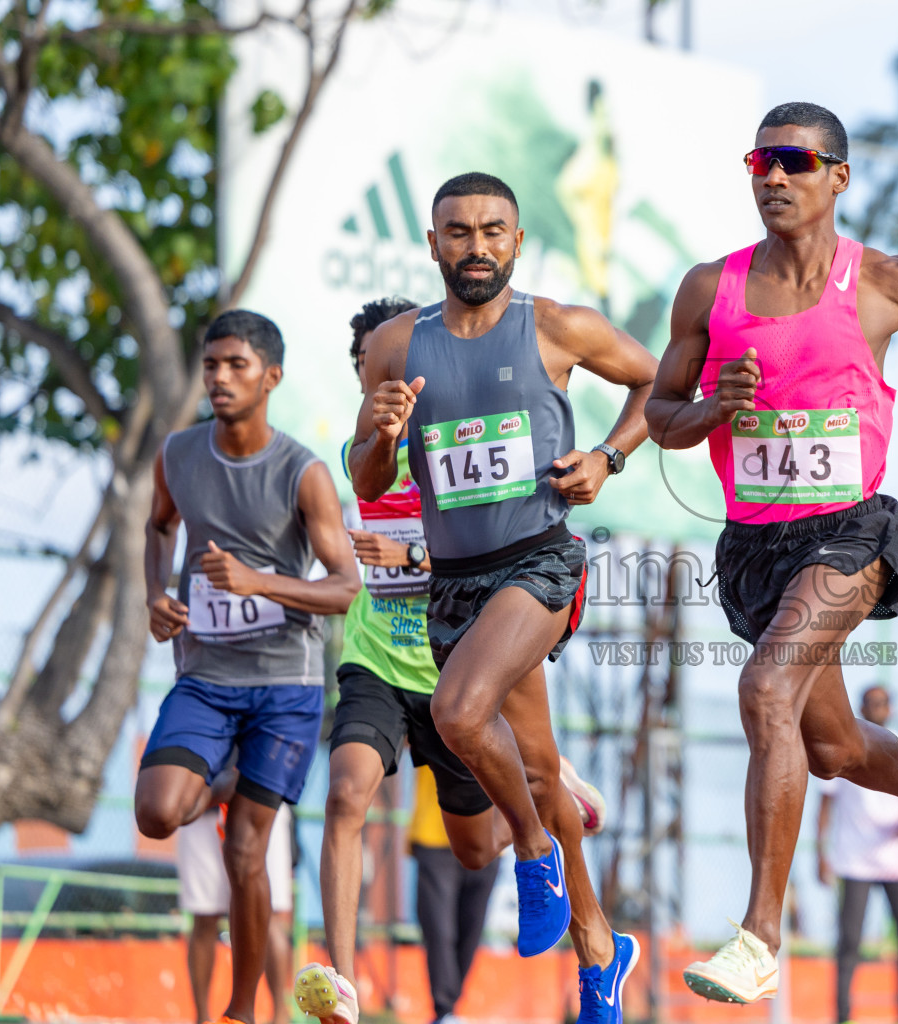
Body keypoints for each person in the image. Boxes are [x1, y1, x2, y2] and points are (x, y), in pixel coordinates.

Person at [645, 100, 898, 1006]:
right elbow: (660, 419)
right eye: (761, 161)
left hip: (849, 529)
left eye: (796, 161)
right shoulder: (707, 289)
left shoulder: (888, 279)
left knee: (765, 690)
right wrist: (715, 407)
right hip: (757, 541)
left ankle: (762, 934)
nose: (775, 177)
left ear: (839, 175)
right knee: (832, 747)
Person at [348, 173, 656, 1024]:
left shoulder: (556, 325)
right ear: (433, 243)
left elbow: (654, 386)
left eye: (492, 231)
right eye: (458, 232)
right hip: (455, 582)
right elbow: (368, 477)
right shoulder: (396, 348)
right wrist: (377, 434)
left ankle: (535, 852)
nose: (476, 246)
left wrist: (608, 457)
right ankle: (600, 949)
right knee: (542, 770)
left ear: (517, 241)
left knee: (455, 710)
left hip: (540, 561)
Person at [296, 297, 609, 1024]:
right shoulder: (365, 446)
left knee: (474, 850)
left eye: (402, 363)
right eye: (369, 369)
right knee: (345, 793)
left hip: (456, 658)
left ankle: (542, 797)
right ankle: (342, 982)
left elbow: (490, 545)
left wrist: (409, 552)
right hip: (377, 659)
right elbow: (368, 483)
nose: (388, 377)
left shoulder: (461, 438)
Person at [136, 309, 361, 1024]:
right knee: (156, 811)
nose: (220, 378)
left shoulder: (304, 472)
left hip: (284, 685)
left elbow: (345, 586)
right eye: (211, 365)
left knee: (246, 851)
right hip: (204, 675)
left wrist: (258, 581)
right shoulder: (177, 454)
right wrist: (157, 595)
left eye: (236, 365)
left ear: (272, 377)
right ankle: (224, 773)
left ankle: (238, 1014)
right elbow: (158, 525)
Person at [815, 686, 898, 1024]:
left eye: (882, 703)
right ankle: (843, 1016)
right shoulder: (843, 747)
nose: (877, 708)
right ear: (860, 707)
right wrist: (820, 854)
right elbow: (825, 805)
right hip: (854, 859)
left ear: (891, 709)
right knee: (849, 940)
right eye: (870, 703)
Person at [179, 786, 296, 1024]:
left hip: (260, 799)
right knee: (204, 915)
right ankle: (202, 1018)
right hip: (203, 807)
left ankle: (280, 1016)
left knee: (269, 916)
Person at [410, 766, 501, 1024]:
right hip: (435, 837)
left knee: (471, 932)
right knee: (439, 930)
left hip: (489, 839)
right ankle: (444, 1010)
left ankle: (449, 1009)